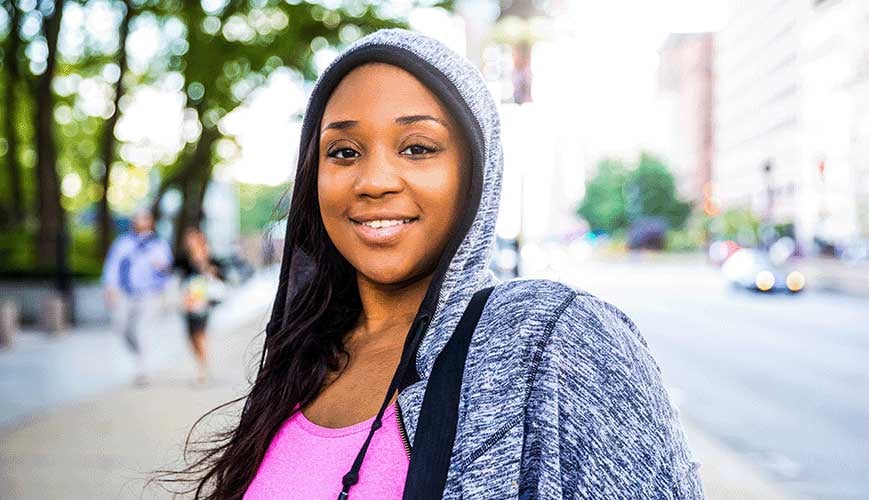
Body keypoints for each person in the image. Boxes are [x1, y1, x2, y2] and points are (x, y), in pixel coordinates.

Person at [168, 29, 704, 499]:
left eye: (418, 147)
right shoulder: (300, 353)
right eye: (344, 152)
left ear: (477, 171)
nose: (374, 180)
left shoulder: (552, 339)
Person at [102, 209, 173, 387]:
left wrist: (162, 269)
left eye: (144, 218)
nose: (140, 221)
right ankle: (139, 354)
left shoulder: (159, 245)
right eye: (137, 218)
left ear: (151, 221)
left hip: (150, 294)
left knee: (142, 330)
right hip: (126, 293)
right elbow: (112, 266)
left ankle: (142, 369)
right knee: (121, 327)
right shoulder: (123, 243)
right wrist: (110, 287)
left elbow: (167, 270)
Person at [175, 226, 226, 385]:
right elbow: (176, 274)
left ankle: (203, 368)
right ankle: (202, 364)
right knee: (191, 336)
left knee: (200, 334)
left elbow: (220, 274)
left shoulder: (209, 256)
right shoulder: (184, 259)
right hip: (188, 301)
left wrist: (208, 267)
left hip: (204, 301)